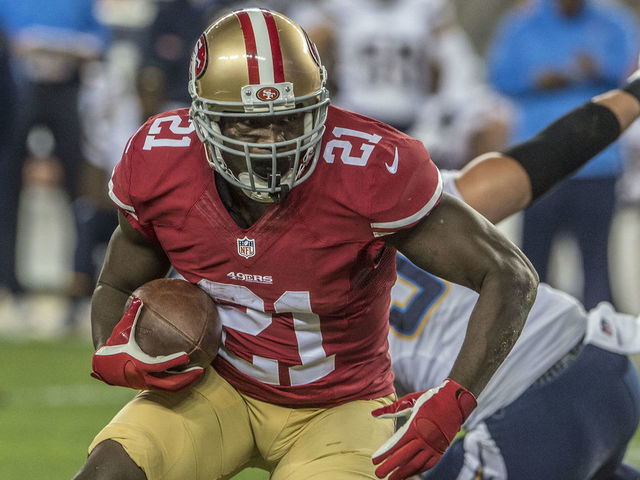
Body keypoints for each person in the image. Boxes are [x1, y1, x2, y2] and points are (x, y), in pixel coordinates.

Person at [73, 8, 538, 480]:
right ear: (204, 119)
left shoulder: (370, 166)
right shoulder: (161, 161)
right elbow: (116, 282)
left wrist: (454, 400)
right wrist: (113, 350)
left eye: (290, 119)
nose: (273, 142)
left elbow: (508, 273)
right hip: (216, 389)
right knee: (107, 474)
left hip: (342, 409)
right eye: (248, 125)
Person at [384, 84, 640, 479]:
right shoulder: (413, 199)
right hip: (602, 361)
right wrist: (635, 91)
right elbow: (549, 154)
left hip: (534, 410)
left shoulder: (297, 293)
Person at [487, 0, 639, 309]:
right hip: (537, 164)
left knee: (596, 266)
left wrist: (599, 70)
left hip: (598, 163)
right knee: (531, 268)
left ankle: (602, 349)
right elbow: (497, 76)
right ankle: (531, 344)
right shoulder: (522, 22)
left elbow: (632, 75)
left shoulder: (615, 21)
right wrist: (535, 80)